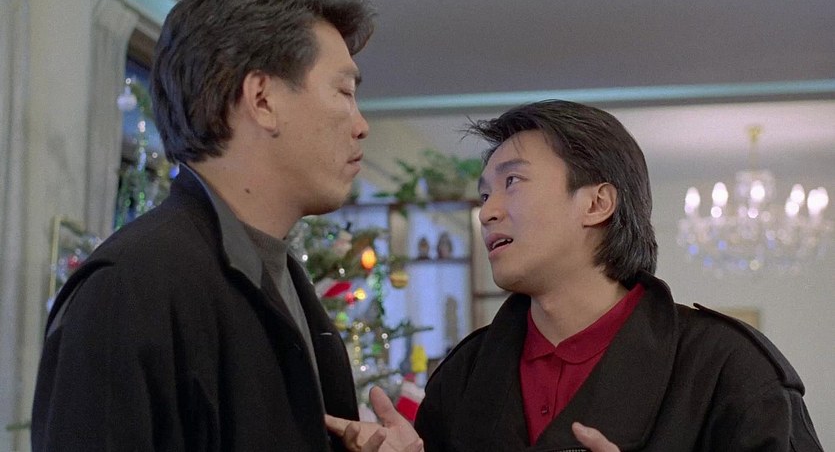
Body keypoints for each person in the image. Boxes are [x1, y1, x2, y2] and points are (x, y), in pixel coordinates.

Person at [326, 100, 824, 451]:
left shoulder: (729, 368)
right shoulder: (465, 375)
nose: (488, 212)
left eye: (512, 182)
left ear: (596, 203)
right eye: (484, 194)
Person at [30, 0, 403, 450]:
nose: (361, 125)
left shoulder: (281, 279)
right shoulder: (128, 289)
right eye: (344, 91)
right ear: (262, 99)